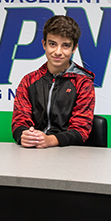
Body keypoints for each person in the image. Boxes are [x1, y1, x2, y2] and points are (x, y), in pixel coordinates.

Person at [12, 15, 95, 148]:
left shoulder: (83, 83)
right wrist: (24, 135)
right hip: (32, 152)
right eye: (52, 44)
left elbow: (81, 131)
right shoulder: (28, 81)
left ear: (74, 48)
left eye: (65, 46)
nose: (58, 52)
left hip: (68, 155)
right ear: (44, 44)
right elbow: (19, 120)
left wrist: (50, 140)